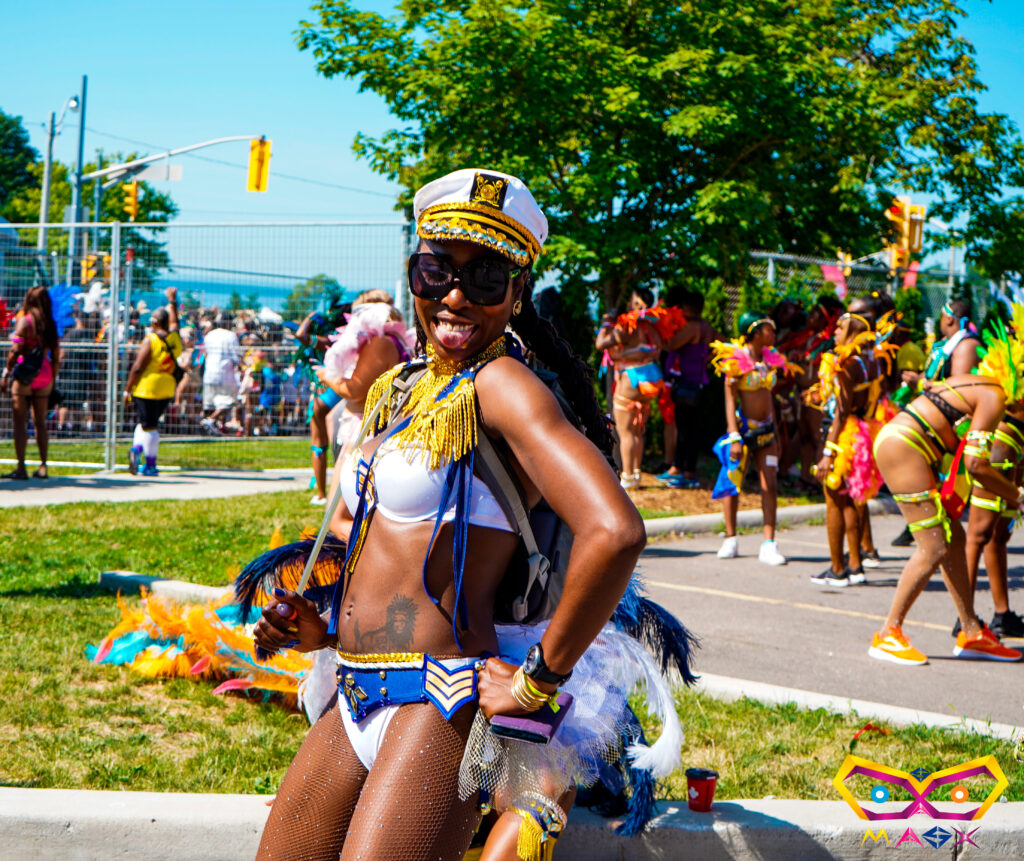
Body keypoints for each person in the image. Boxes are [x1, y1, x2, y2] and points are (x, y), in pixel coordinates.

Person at [251, 169, 645, 861]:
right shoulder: (406, 387)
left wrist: (538, 681)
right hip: (354, 688)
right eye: (436, 272)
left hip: (437, 700)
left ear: (517, 293)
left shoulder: (503, 384)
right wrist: (325, 628)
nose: (456, 296)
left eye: (486, 278)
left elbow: (615, 531)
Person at [868, 320, 1024, 665]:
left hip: (908, 445)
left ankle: (971, 631)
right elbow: (977, 465)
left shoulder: (982, 384)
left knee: (954, 538)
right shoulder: (994, 397)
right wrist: (1018, 495)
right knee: (934, 546)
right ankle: (888, 634)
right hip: (905, 447)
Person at [809, 297, 892, 587]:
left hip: (843, 434)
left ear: (853, 332)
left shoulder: (846, 365)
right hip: (862, 433)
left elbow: (841, 412)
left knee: (834, 500)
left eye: (840, 328)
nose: (834, 332)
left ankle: (837, 569)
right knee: (849, 501)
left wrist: (828, 453)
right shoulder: (873, 361)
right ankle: (855, 565)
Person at [709, 312, 790, 566]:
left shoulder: (770, 359)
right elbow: (729, 399)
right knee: (733, 483)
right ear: (755, 332)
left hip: (767, 431)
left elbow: (769, 398)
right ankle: (730, 538)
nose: (773, 333)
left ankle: (769, 543)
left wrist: (777, 433)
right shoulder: (735, 360)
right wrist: (734, 436)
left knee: (770, 485)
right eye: (769, 329)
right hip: (742, 431)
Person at [314, 289, 412, 465]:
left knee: (345, 483)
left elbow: (354, 390)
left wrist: (326, 375)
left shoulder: (380, 342)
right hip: (369, 428)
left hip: (366, 431)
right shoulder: (389, 339)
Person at [594, 288, 664, 489]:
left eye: (631, 301)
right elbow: (657, 350)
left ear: (636, 304)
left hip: (630, 379)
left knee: (626, 431)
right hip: (651, 378)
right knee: (638, 429)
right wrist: (640, 353)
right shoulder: (652, 326)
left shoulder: (627, 325)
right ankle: (636, 474)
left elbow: (601, 344)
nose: (628, 304)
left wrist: (605, 324)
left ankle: (627, 476)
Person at [1, 285, 61, 479]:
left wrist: (6, 373)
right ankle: (43, 466)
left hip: (25, 374)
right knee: (40, 422)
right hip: (45, 373)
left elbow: (15, 351)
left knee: (20, 422)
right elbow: (56, 356)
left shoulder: (26, 321)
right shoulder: (50, 324)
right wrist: (53, 379)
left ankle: (21, 468)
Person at [122, 288, 182, 476]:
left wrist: (127, 389)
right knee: (147, 423)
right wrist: (172, 301)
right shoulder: (174, 339)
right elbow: (175, 322)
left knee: (149, 426)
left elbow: (137, 367)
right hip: (166, 387)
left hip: (147, 388)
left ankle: (146, 460)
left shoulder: (151, 340)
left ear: (154, 322)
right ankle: (139, 452)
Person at [295, 303, 349, 505]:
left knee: (319, 443)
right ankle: (333, 493)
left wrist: (310, 317)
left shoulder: (331, 341)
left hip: (327, 392)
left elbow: (301, 335)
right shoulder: (345, 340)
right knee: (339, 444)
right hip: (337, 391)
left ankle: (322, 494)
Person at [659, 289, 712, 489]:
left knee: (684, 429)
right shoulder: (706, 327)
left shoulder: (693, 327)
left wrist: (658, 334)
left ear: (688, 307)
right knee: (692, 429)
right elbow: (722, 343)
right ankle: (686, 470)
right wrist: (706, 359)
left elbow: (671, 345)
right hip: (700, 382)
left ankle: (682, 470)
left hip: (688, 384)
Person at [200, 312, 241, 435]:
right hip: (225, 374)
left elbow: (205, 354)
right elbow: (236, 356)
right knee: (231, 401)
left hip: (209, 373)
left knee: (210, 404)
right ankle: (211, 420)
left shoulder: (209, 335)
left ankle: (211, 427)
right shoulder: (231, 336)